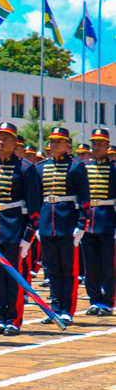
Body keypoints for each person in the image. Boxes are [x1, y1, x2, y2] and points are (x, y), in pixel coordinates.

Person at [0, 122, 41, 334]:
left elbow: (34, 206)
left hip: (15, 227)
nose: (0, 141)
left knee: (13, 276)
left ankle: (13, 320)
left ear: (15, 143)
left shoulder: (25, 168)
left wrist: (28, 236)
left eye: (5, 138)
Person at [37, 127, 90, 325]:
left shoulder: (76, 166)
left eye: (59, 141)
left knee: (68, 270)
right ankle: (55, 308)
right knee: (51, 270)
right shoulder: (41, 167)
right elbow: (36, 198)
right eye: (52, 141)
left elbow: (85, 198)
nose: (54, 144)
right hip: (47, 222)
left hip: (67, 222)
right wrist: (37, 225)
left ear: (68, 144)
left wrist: (81, 225)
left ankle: (67, 309)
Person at [84, 128, 116, 316]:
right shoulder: (85, 167)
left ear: (107, 146)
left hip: (107, 218)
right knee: (91, 264)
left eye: (100, 144)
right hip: (89, 220)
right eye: (94, 144)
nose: (96, 147)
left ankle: (108, 301)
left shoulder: (113, 168)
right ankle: (94, 299)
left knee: (108, 264)